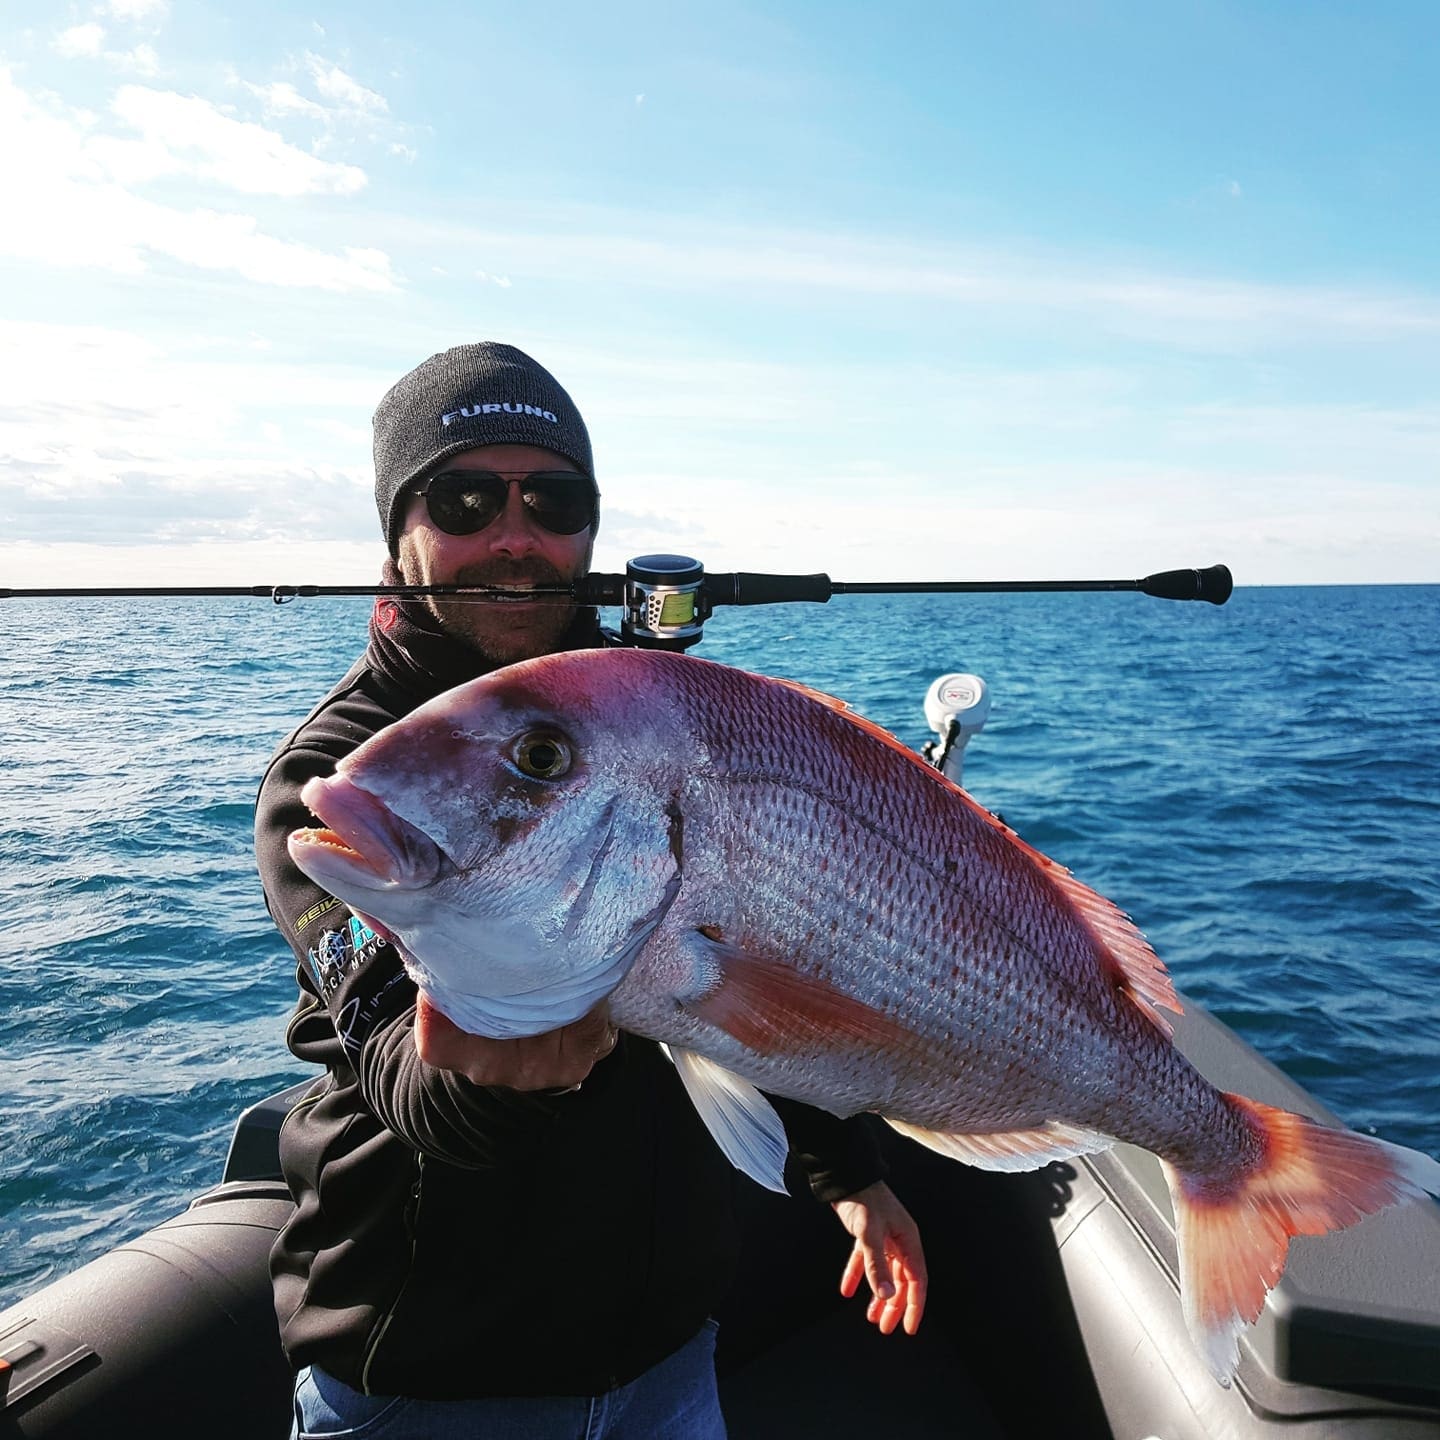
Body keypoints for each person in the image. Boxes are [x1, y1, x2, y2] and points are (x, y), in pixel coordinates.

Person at [254, 341, 927, 1439]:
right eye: (465, 497)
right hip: (426, 1378)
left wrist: (843, 1167)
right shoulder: (338, 786)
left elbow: (751, 956)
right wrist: (499, 1078)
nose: (514, 536)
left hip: (668, 1356)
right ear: (398, 533)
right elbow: (397, 1069)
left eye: (554, 499)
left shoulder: (666, 724)